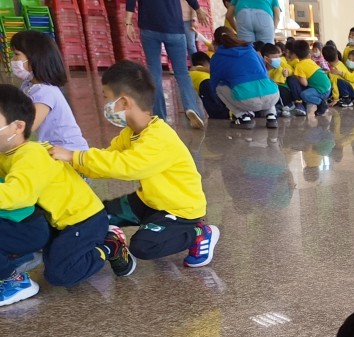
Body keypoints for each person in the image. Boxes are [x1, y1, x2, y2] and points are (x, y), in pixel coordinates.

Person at [50, 61, 220, 270]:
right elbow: (107, 158)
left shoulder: (158, 138)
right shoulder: (131, 133)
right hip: (149, 200)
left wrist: (75, 156)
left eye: (106, 97)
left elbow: (127, 166)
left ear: (124, 102)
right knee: (98, 216)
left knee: (144, 247)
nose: (105, 104)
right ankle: (126, 237)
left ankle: (198, 233)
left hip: (180, 209)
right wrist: (71, 165)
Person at [0, 85, 131, 306]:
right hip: (56, 222)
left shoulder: (30, 155)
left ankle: (110, 245)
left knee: (61, 274)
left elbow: (19, 195)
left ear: (18, 127)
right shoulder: (6, 153)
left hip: (82, 220)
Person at [125, 0, 209, 129]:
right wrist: (198, 9)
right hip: (174, 27)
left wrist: (128, 22)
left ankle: (159, 116)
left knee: (154, 73)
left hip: (149, 28)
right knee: (182, 73)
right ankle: (191, 107)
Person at [8, 31, 88, 152]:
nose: (13, 59)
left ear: (35, 58)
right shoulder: (28, 85)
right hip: (52, 150)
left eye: (16, 54)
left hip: (68, 152)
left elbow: (24, 130)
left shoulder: (45, 92)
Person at [209, 26, 280, 128]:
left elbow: (214, 81)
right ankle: (271, 116)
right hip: (273, 96)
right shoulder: (250, 49)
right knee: (264, 83)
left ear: (214, 42)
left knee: (218, 87)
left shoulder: (218, 57)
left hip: (247, 100)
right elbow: (264, 72)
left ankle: (243, 117)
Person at [286, 39, 331, 116]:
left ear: (295, 55)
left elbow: (305, 83)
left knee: (304, 95)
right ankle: (321, 104)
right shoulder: (310, 61)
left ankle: (321, 104)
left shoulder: (299, 66)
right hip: (328, 87)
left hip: (322, 91)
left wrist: (295, 76)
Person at [261, 42, 293, 115]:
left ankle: (284, 107)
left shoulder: (279, 69)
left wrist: (288, 72)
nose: (278, 60)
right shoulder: (262, 70)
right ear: (266, 59)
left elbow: (276, 84)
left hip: (282, 90)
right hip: (270, 91)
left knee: (276, 89)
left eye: (278, 57)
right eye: (274, 58)